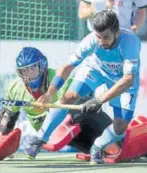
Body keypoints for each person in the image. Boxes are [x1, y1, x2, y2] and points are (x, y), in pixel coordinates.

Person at [27, 10, 141, 165]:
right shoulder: (91, 40)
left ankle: (97, 147)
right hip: (95, 70)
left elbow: (128, 79)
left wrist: (99, 100)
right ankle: (40, 138)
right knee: (69, 97)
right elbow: (67, 67)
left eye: (106, 37)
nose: (101, 42)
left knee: (120, 127)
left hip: (121, 80)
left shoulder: (130, 43)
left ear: (117, 32)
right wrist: (49, 93)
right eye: (98, 37)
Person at [0, 47, 72, 160]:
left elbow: (72, 100)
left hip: (68, 129)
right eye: (24, 70)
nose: (28, 74)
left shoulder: (58, 78)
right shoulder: (16, 87)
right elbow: (7, 116)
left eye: (32, 68)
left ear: (42, 66)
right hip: (45, 135)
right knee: (6, 114)